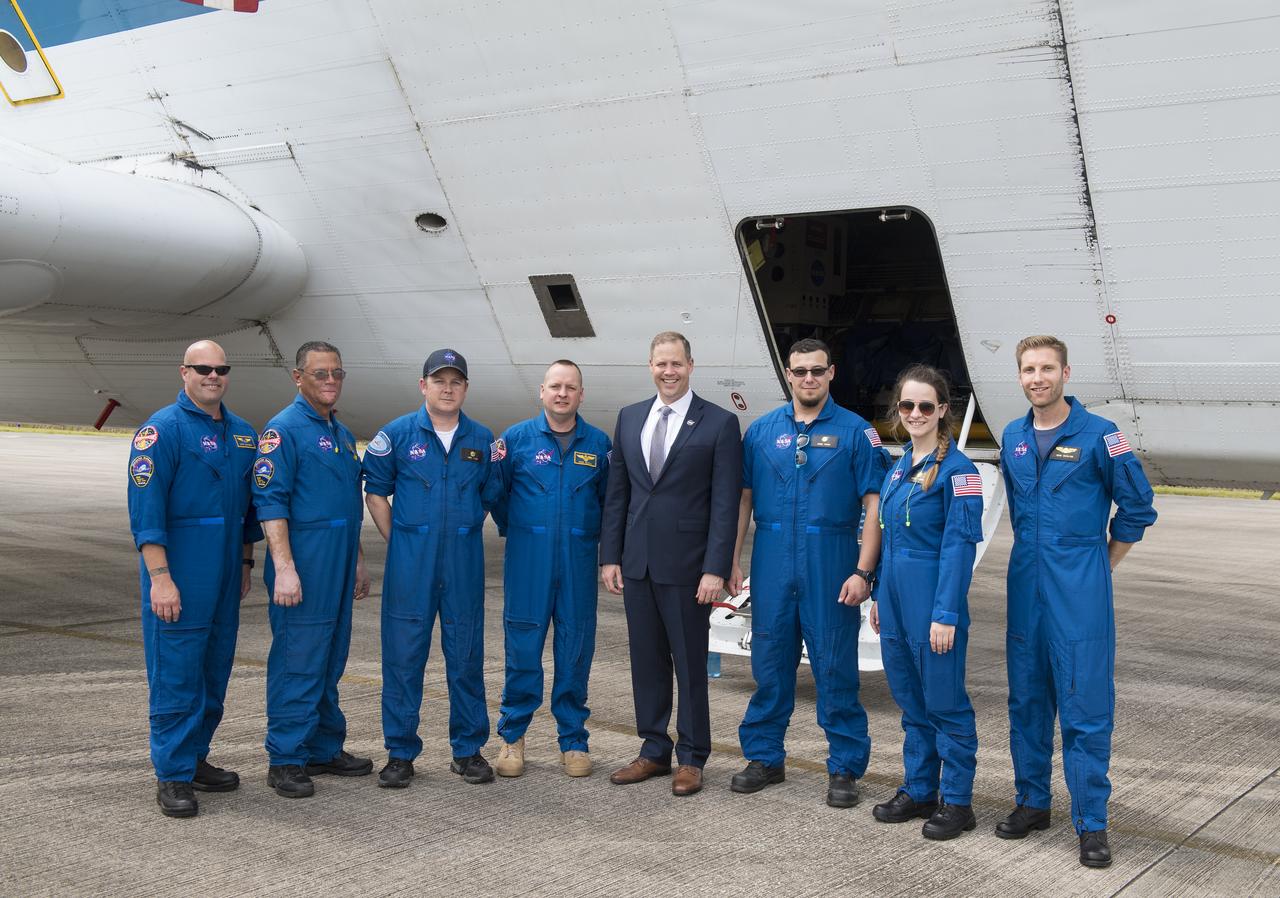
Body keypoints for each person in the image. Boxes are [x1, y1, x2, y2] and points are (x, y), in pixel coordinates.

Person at [998, 335, 1157, 868]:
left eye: (1046, 368)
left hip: (1080, 592)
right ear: (1020, 377)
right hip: (1026, 588)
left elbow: (1136, 507)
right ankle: (1032, 803)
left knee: (1085, 708)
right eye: (1028, 369)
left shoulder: (1100, 436)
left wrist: (1100, 565)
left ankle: (1091, 823)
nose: (1037, 378)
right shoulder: (1014, 436)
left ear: (1066, 373)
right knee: (1026, 702)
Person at [727, 338, 888, 808]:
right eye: (799, 371)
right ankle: (764, 758)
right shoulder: (759, 433)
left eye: (817, 371)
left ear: (831, 373)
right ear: (788, 374)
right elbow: (743, 499)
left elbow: (874, 503)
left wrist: (864, 570)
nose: (808, 379)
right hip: (773, 559)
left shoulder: (858, 433)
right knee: (770, 665)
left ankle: (843, 768)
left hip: (832, 558)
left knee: (835, 668)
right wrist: (732, 559)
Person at [600, 332, 742, 797]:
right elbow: (618, 493)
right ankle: (654, 749)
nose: (668, 372)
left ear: (691, 365)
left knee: (690, 662)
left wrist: (715, 567)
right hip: (637, 564)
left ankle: (692, 757)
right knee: (646, 661)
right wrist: (611, 557)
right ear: (650, 366)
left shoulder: (719, 424)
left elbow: (724, 503)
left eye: (676, 364)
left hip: (688, 568)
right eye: (661, 364)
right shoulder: (630, 418)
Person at [127, 340, 261, 817]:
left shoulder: (243, 434)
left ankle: (196, 757)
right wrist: (160, 579)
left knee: (213, 672)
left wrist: (246, 565)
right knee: (177, 676)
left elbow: (249, 514)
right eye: (203, 368)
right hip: (181, 575)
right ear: (184, 372)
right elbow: (146, 515)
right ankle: (173, 775)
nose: (213, 376)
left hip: (226, 576)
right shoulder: (161, 431)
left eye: (221, 368)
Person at [362, 349, 504, 788]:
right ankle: (401, 752)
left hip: (462, 564)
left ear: (465, 388)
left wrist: (459, 531)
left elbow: (489, 496)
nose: (447, 388)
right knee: (404, 659)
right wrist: (402, 540)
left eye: (455, 381)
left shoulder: (482, 440)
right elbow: (376, 493)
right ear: (423, 385)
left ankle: (467, 750)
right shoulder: (398, 435)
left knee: (465, 657)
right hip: (411, 566)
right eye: (438, 380)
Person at [868, 364, 983, 839]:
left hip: (933, 607)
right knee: (911, 703)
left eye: (925, 406)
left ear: (942, 411)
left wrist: (946, 614)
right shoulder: (898, 467)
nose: (915, 413)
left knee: (945, 705)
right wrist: (877, 596)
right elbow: (887, 538)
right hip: (894, 603)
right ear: (899, 410)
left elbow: (959, 548)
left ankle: (956, 801)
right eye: (908, 405)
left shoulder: (960, 472)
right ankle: (919, 789)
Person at [253, 341, 372, 798]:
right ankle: (285, 758)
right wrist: (283, 567)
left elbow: (346, 505)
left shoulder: (341, 435)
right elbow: (270, 502)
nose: (330, 381)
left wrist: (358, 560)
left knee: (329, 659)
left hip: (339, 563)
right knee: (298, 661)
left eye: (337, 374)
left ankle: (322, 747)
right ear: (298, 377)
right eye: (320, 373)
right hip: (304, 565)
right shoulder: (283, 432)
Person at [489, 360, 611, 778]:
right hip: (528, 562)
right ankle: (512, 738)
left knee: (575, 650)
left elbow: (610, 502)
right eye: (555, 386)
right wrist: (522, 531)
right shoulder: (516, 441)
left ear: (581, 395)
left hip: (577, 562)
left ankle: (573, 740)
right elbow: (496, 493)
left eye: (571, 387)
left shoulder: (598, 444)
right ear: (541, 391)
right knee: (523, 650)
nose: (562, 394)